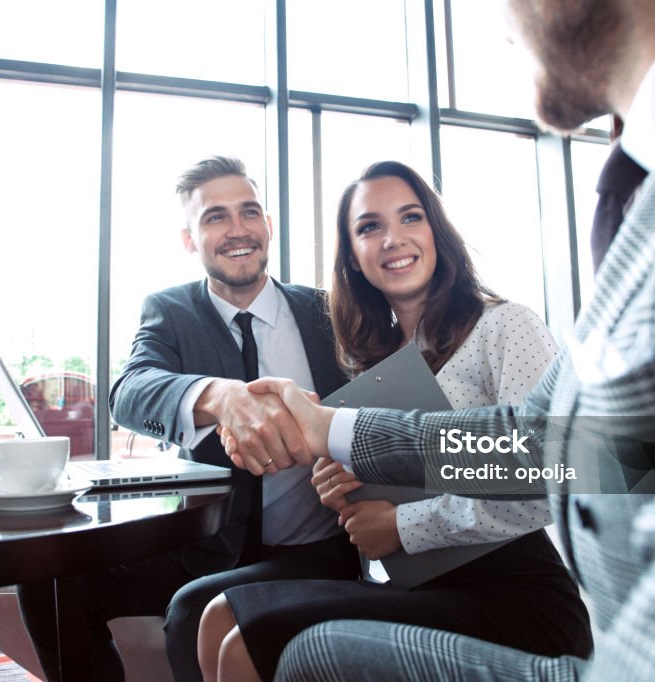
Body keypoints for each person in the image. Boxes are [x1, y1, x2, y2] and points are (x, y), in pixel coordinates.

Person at [228, 1, 655, 680]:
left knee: (304, 654)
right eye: (369, 228)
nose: (498, 23)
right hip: (578, 618)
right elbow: (538, 438)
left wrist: (405, 524)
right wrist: (328, 428)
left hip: (597, 632)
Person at [198, 161, 593, 681]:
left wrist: (403, 527)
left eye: (410, 218)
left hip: (514, 592)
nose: (393, 239)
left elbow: (554, 479)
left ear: (437, 232)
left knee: (250, 641)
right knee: (215, 617)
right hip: (417, 585)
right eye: (369, 227)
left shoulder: (505, 326)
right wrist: (346, 479)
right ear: (355, 259)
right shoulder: (369, 365)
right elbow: (398, 480)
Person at [17, 156, 359, 682]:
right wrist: (218, 396)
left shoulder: (323, 310)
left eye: (249, 212)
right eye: (215, 217)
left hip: (312, 549)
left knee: (194, 611)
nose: (237, 229)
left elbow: (380, 403)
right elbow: (129, 392)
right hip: (207, 545)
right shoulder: (170, 311)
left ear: (268, 225)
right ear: (189, 239)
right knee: (45, 579)